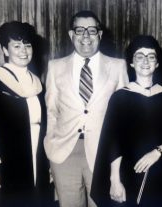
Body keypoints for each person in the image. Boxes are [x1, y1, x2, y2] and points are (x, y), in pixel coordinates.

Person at [91, 35, 162, 207]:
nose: (145, 61)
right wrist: (115, 180)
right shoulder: (120, 98)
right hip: (130, 175)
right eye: (139, 56)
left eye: (151, 56)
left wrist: (157, 152)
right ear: (131, 62)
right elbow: (112, 142)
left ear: (157, 63)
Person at [44, 10, 128, 207]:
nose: (86, 36)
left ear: (99, 34)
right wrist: (50, 147)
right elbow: (51, 111)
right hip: (63, 151)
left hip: (103, 152)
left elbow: (124, 117)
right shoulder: (55, 67)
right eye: (80, 30)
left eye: (91, 30)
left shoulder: (118, 66)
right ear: (71, 35)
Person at [0, 21, 52, 207]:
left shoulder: (37, 83)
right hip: (6, 156)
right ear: (5, 50)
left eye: (27, 45)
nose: (23, 51)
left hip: (36, 154)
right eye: (16, 46)